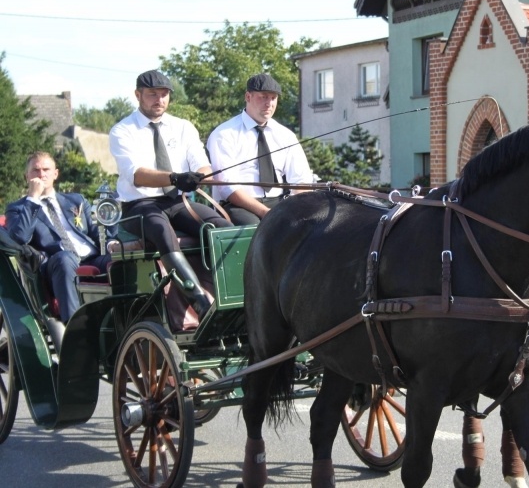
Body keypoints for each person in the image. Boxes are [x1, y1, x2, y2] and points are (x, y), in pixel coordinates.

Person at [109, 69, 232, 315]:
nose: (159, 99)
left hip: (179, 201)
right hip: (140, 206)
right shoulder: (122, 131)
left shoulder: (183, 127)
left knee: (223, 229)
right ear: (138, 95)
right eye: (152, 94)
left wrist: (199, 176)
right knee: (160, 228)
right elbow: (136, 174)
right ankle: (200, 302)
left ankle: (232, 296)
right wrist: (175, 177)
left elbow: (202, 163)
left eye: (164, 94)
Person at [4, 151, 117, 323]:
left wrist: (111, 245)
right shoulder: (18, 208)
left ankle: (131, 320)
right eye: (36, 170)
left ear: (55, 174)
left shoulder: (76, 200)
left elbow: (95, 232)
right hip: (56, 266)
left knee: (121, 260)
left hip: (91, 259)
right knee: (65, 259)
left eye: (46, 169)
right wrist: (33, 198)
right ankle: (75, 329)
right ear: (26, 176)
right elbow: (20, 237)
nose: (41, 174)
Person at [206, 73, 314, 226]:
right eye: (263, 97)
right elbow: (227, 187)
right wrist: (265, 212)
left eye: (273, 98)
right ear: (248, 97)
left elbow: (301, 180)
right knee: (257, 231)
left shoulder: (286, 135)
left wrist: (298, 208)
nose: (269, 103)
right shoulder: (224, 134)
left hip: (279, 203)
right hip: (238, 206)